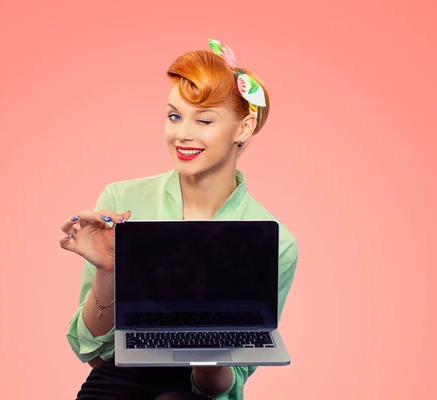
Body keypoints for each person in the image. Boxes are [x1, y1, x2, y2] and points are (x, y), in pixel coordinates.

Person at [59, 38, 299, 400]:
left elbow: (223, 388)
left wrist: (207, 347)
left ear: (244, 128)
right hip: (120, 383)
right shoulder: (122, 200)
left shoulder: (278, 243)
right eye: (174, 116)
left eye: (203, 120)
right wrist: (108, 273)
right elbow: (93, 353)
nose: (182, 134)